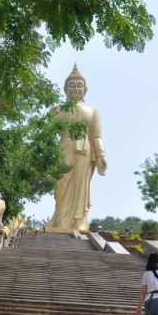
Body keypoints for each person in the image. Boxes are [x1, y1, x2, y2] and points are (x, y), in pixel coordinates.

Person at [46, 64, 107, 232]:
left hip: (84, 154)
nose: (76, 88)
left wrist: (101, 154)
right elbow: (49, 135)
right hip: (63, 151)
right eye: (72, 85)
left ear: (85, 90)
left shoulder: (92, 111)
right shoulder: (58, 110)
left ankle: (79, 222)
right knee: (61, 186)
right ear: (65, 89)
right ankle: (60, 221)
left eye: (79, 85)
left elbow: (96, 136)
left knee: (81, 188)